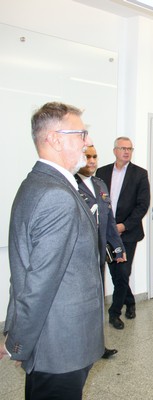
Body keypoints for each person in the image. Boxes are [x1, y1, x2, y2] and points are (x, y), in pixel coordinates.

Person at [1, 102, 104, 399]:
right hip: (61, 346)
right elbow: (38, 283)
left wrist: (16, 331)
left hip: (54, 342)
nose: (87, 141)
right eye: (80, 134)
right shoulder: (55, 196)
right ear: (55, 139)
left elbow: (24, 271)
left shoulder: (39, 183)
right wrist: (17, 342)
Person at [76, 144, 127, 358]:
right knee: (80, 305)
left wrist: (118, 248)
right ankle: (77, 349)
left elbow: (109, 220)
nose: (92, 161)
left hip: (98, 255)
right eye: (87, 156)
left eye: (95, 156)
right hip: (78, 258)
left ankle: (97, 346)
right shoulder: (69, 184)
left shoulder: (99, 184)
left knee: (97, 302)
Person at [96, 137, 150, 330]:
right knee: (116, 273)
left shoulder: (140, 174)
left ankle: (114, 313)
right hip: (107, 232)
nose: (127, 152)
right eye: (123, 148)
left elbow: (142, 205)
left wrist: (124, 226)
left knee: (123, 272)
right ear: (115, 151)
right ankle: (130, 301)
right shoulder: (102, 172)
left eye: (130, 149)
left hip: (128, 233)